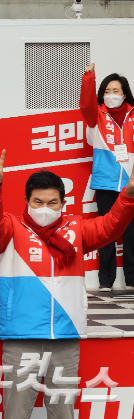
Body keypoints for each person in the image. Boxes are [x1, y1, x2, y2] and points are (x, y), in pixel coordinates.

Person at [0, 147, 134, 419]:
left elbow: (112, 226)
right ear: (26, 201)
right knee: (16, 413)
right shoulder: (10, 228)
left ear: (63, 203)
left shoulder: (78, 228)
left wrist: (129, 195)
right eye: (38, 202)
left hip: (64, 337)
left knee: (63, 412)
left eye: (52, 202)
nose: (45, 208)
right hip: (21, 338)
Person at [80, 62, 134, 291]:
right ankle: (105, 281)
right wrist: (88, 79)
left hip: (131, 183)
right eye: (107, 91)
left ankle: (132, 281)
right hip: (105, 182)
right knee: (105, 234)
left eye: (116, 91)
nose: (112, 95)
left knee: (131, 233)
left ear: (125, 94)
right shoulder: (96, 116)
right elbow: (86, 105)